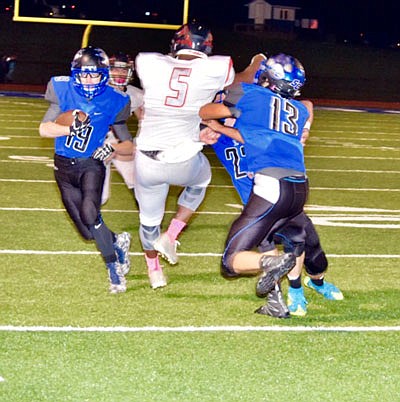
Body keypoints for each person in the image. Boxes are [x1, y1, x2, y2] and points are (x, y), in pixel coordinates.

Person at [207, 68, 342, 318]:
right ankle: (286, 296)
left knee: (312, 256)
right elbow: (216, 131)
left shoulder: (259, 117)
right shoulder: (234, 130)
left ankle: (312, 284)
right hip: (272, 197)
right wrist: (211, 130)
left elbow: (304, 106)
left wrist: (213, 121)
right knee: (277, 245)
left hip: (272, 195)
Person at [133, 22, 235, 289]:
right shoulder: (218, 67)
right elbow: (230, 91)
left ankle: (154, 270)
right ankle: (173, 233)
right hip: (183, 158)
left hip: (146, 159)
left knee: (148, 221)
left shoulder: (148, 62)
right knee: (201, 181)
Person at [39, 46, 133, 294]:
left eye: (93, 75)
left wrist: (112, 149)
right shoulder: (62, 89)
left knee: (90, 212)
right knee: (87, 231)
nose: (88, 80)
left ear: (103, 74)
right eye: (83, 74)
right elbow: (44, 129)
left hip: (91, 164)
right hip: (63, 167)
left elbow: (129, 146)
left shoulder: (116, 100)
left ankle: (114, 270)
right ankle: (117, 242)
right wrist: (70, 130)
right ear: (75, 73)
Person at [101, 51, 144, 206]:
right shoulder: (97, 91)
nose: (120, 73)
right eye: (115, 69)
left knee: (138, 184)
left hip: (121, 143)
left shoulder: (136, 94)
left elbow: (144, 121)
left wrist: (140, 143)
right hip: (98, 143)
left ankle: (149, 222)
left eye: (124, 69)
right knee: (100, 196)